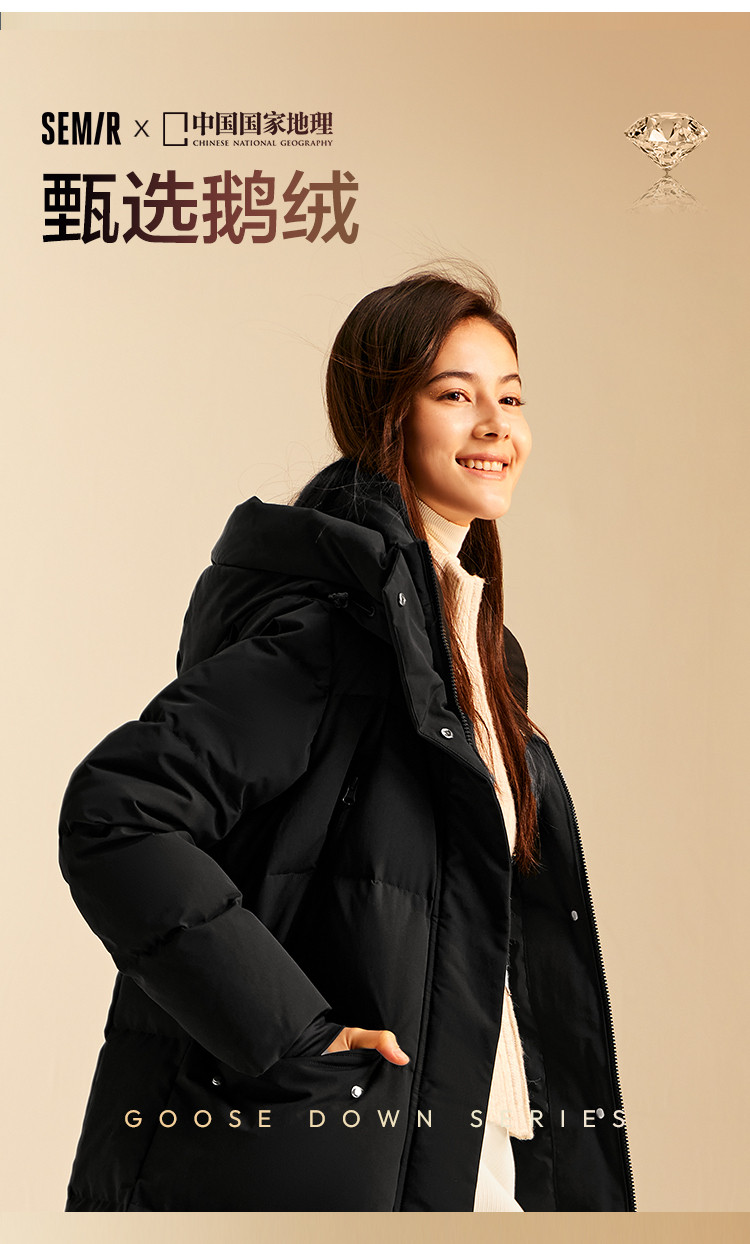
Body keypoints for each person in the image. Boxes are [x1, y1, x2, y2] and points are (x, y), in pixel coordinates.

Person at [58, 263, 636, 1212]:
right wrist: (293, 1036)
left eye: (510, 397)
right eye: (455, 395)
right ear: (386, 415)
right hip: (350, 1151)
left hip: (475, 1142)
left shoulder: (473, 651)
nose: (495, 425)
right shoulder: (340, 632)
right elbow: (118, 811)